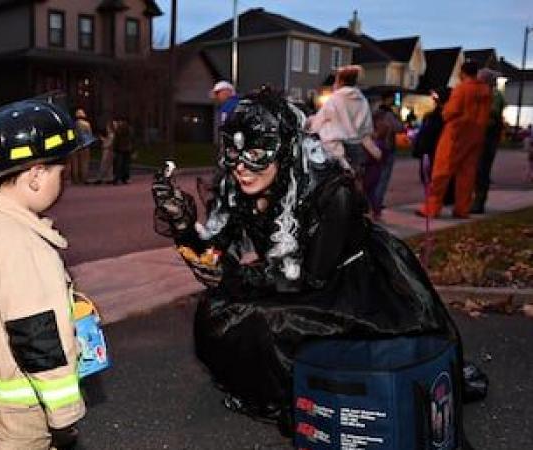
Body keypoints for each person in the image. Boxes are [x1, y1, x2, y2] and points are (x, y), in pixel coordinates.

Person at [152, 88, 461, 437]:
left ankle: (298, 398)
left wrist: (237, 276)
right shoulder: (238, 185)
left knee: (267, 323)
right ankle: (262, 391)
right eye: (235, 154)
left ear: (284, 149)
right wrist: (182, 225)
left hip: (349, 282)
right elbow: (214, 253)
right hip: (286, 273)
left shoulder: (332, 192)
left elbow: (312, 278)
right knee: (215, 310)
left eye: (256, 154)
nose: (242, 168)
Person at [0, 100, 87, 450]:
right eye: (61, 172)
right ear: (36, 175)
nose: (63, 182)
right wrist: (64, 413)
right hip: (25, 407)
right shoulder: (22, 245)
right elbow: (37, 337)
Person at [417, 60, 492, 218]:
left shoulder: (462, 88)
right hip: (476, 136)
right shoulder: (486, 90)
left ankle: (432, 208)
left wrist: (445, 110)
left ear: (462, 73)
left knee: (441, 172)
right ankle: (462, 209)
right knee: (467, 174)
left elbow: (451, 111)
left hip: (456, 135)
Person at [309, 65, 381, 179]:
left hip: (335, 150)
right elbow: (367, 127)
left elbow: (318, 122)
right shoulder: (362, 100)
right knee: (357, 183)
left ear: (341, 80)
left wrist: (310, 128)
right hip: (357, 149)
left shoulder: (335, 99)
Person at [470, 68, 506, 214]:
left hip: (487, 137)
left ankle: (479, 203)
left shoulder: (494, 95)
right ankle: (476, 201)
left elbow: (492, 115)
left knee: (482, 170)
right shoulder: (490, 94)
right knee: (479, 170)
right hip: (484, 137)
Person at [368, 93, 403, 219]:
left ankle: (372, 204)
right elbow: (399, 128)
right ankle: (376, 206)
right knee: (383, 178)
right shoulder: (389, 114)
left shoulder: (374, 112)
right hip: (387, 147)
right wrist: (397, 116)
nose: (393, 100)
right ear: (387, 99)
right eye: (391, 98)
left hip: (375, 146)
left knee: (374, 177)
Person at [413, 88, 451, 184]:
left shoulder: (431, 117)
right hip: (439, 156)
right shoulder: (448, 117)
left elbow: (422, 137)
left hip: (432, 155)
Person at [70, 108, 92, 184]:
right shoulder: (87, 124)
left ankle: (75, 179)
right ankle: (84, 178)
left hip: (75, 145)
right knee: (84, 162)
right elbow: (89, 135)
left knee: (75, 163)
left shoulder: (72, 124)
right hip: (85, 145)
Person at [112, 118, 134, 184]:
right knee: (126, 164)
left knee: (119, 164)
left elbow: (116, 140)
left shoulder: (118, 129)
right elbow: (132, 139)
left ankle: (117, 178)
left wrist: (114, 149)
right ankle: (125, 178)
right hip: (127, 148)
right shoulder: (130, 129)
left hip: (120, 149)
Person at [94, 120, 116, 184]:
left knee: (104, 164)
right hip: (109, 150)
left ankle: (100, 178)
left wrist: (102, 139)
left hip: (107, 150)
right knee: (109, 165)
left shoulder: (111, 135)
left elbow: (108, 143)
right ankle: (109, 177)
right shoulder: (111, 135)